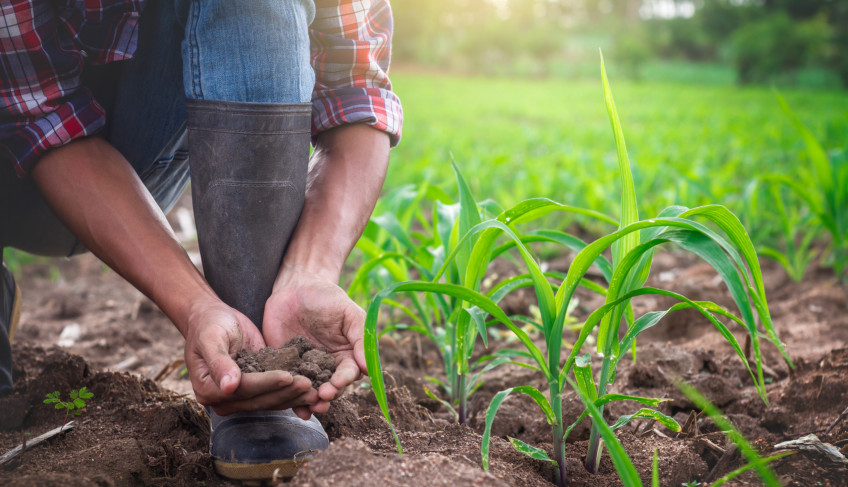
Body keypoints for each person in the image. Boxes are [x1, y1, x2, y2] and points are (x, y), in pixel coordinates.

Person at [0, 0, 402, 481]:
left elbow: (358, 92)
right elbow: (38, 120)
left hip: (128, 153)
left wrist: (308, 271)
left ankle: (251, 355)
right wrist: (192, 306)